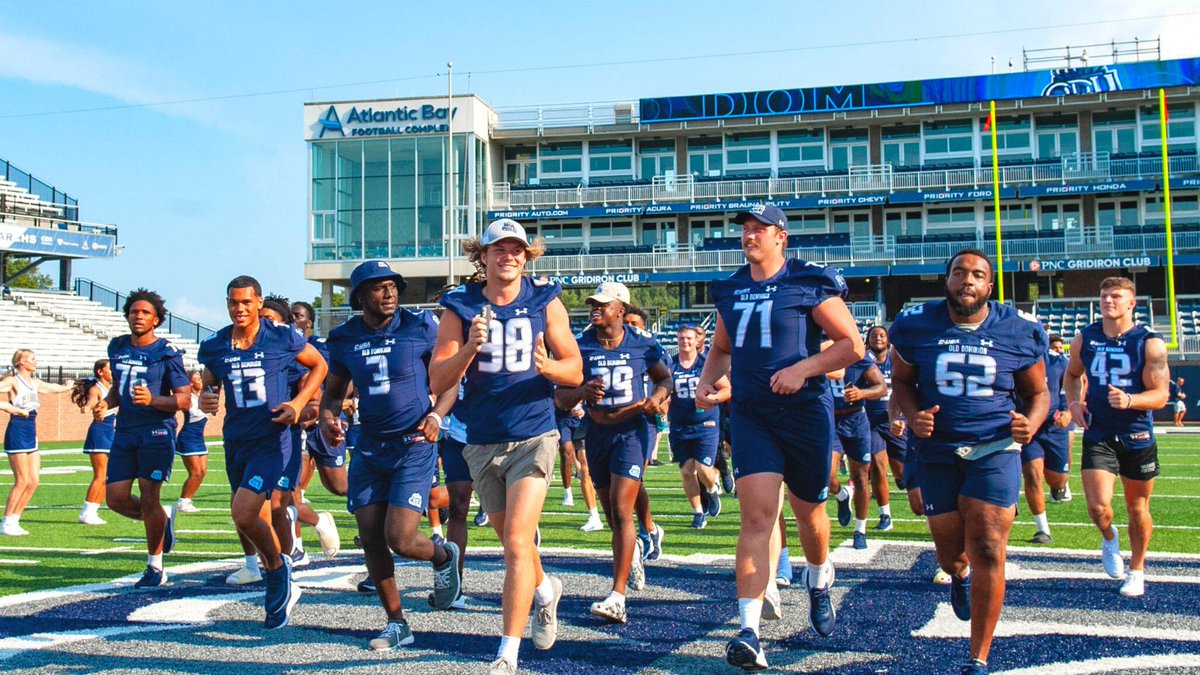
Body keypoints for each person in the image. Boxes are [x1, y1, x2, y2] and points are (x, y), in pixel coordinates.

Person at [696, 204, 863, 671]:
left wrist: (802, 369)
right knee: (757, 517)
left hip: (805, 412)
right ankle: (749, 629)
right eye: (746, 229)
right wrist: (708, 383)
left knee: (809, 512)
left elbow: (852, 344)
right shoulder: (730, 288)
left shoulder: (808, 281)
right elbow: (723, 348)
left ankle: (820, 577)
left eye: (759, 229)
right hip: (752, 414)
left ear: (781, 237)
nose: (749, 236)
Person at [433, 219, 583, 674]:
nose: (510, 256)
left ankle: (506, 653)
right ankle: (543, 590)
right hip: (481, 440)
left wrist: (548, 368)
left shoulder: (544, 298)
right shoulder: (459, 305)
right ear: (484, 255)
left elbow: (575, 370)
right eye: (500, 249)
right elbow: (438, 379)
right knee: (510, 542)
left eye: (517, 249)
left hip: (535, 435)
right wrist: (468, 350)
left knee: (518, 541)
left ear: (527, 255)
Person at [890, 248, 1049, 675]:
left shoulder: (1016, 329)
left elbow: (1038, 394)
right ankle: (959, 577)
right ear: (947, 280)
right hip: (938, 451)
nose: (968, 280)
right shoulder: (914, 325)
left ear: (989, 285)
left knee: (988, 547)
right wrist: (911, 414)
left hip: (994, 447)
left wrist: (1030, 425)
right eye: (959, 272)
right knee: (950, 556)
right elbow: (902, 383)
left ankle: (978, 658)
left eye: (977, 274)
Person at [321, 262, 460, 650]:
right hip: (369, 446)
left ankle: (442, 555)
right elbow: (333, 392)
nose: (389, 293)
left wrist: (436, 414)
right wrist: (326, 419)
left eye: (393, 286)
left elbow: (450, 380)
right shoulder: (344, 337)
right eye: (379, 288)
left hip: (414, 443)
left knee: (399, 537)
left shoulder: (419, 327)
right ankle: (397, 622)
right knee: (370, 538)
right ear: (359, 296)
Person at [199, 275, 328, 629]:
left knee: (243, 513)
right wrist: (206, 395)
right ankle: (279, 569)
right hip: (236, 438)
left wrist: (300, 402)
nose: (239, 309)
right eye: (232, 302)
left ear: (258, 302)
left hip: (272, 438)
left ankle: (276, 569)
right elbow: (210, 377)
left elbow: (320, 365)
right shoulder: (216, 344)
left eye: (245, 302)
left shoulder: (281, 335)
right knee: (245, 514)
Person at [556, 281, 670, 625]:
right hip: (598, 431)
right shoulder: (579, 347)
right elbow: (561, 398)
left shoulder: (643, 344)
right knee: (611, 512)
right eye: (594, 303)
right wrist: (581, 391)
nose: (595, 308)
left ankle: (617, 596)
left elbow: (665, 379)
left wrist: (657, 398)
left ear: (621, 309)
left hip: (633, 431)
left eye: (603, 304)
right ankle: (631, 549)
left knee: (621, 510)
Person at [1064, 276, 1169, 599]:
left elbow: (1161, 395)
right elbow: (1072, 374)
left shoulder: (1149, 342)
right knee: (1098, 507)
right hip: (1099, 431)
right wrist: (1072, 402)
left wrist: (1131, 400)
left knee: (1138, 506)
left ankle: (1137, 570)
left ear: (1131, 303)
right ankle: (1109, 538)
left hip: (1136, 433)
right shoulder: (1087, 337)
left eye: (1116, 296)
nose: (1109, 301)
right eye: (1104, 295)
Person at [96, 289, 191, 588]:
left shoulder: (166, 352)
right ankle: (162, 523)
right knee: (115, 498)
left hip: (157, 432)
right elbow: (118, 390)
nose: (138, 316)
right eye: (134, 311)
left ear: (157, 320)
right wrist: (106, 403)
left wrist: (152, 400)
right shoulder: (118, 347)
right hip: (124, 431)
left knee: (150, 498)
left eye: (145, 312)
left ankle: (156, 567)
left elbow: (184, 400)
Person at [0, 350, 72, 536]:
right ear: (21, 363)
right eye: (32, 359)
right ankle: (6, 522)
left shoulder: (35, 382)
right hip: (17, 429)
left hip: (31, 429)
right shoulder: (13, 381)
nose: (36, 362)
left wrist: (67, 386)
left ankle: (15, 520)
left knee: (33, 481)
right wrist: (13, 409)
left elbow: (53, 388)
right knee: (22, 480)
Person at [668, 324, 729, 529]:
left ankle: (712, 490)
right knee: (686, 471)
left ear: (697, 341)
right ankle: (698, 512)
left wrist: (713, 399)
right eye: (682, 338)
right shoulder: (670, 365)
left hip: (705, 423)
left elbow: (727, 389)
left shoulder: (705, 365)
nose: (685, 341)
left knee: (703, 468)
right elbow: (663, 390)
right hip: (679, 424)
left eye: (689, 338)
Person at [827, 348, 887, 550]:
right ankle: (842, 496)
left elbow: (881, 387)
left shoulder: (858, 355)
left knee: (861, 476)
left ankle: (860, 530)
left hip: (855, 419)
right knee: (826, 474)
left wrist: (862, 392)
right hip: (830, 420)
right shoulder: (817, 350)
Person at [621, 304, 666, 561]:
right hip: (611, 422)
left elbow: (666, 381)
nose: (629, 327)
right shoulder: (609, 345)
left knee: (634, 479)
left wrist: (662, 401)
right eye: (626, 322)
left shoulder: (649, 348)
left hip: (642, 421)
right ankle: (648, 528)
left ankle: (644, 531)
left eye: (635, 324)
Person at [1021, 334, 1072, 544]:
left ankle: (1059, 487)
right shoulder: (1014, 359)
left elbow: (1077, 381)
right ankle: (1043, 529)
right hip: (1027, 426)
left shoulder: (1058, 360)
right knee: (1032, 476)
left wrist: (1069, 409)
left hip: (1052, 426)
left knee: (1057, 480)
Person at [865, 325, 907, 525]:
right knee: (878, 466)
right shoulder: (862, 360)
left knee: (901, 472)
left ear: (888, 339)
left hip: (896, 419)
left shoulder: (897, 359)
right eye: (874, 335)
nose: (878, 339)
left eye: (882, 335)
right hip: (871, 420)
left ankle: (901, 479)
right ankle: (885, 515)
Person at [73, 359, 114, 525]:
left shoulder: (112, 389)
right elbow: (88, 405)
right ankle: (86, 512)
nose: (113, 372)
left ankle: (93, 510)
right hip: (100, 432)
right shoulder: (97, 388)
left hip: (111, 432)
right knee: (100, 474)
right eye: (109, 369)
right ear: (100, 372)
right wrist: (92, 408)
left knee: (108, 476)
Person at [175, 370, 209, 514]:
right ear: (190, 383)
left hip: (199, 438)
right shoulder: (188, 399)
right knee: (195, 472)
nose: (200, 381)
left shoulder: (202, 396)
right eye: (197, 379)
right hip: (188, 438)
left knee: (202, 472)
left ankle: (188, 500)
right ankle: (183, 501)